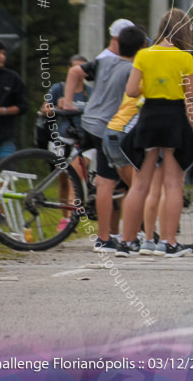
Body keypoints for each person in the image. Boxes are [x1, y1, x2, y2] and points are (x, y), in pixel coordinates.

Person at [119, 9, 193, 257]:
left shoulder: (144, 54)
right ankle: (169, 242)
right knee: (173, 184)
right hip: (174, 118)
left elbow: (131, 91)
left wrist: (153, 84)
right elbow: (192, 95)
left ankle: (127, 241)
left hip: (150, 116)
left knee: (141, 184)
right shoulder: (185, 58)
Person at [64, 27, 146, 254]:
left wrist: (68, 103)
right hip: (107, 128)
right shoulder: (133, 70)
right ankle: (108, 237)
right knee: (112, 183)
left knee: (107, 180)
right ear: (141, 49)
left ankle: (112, 234)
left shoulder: (103, 63)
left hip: (88, 121)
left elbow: (73, 72)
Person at [35, 55, 88, 152]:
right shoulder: (58, 89)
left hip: (83, 138)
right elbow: (44, 110)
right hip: (60, 137)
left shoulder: (90, 92)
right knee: (61, 166)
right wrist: (58, 108)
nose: (79, 73)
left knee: (79, 165)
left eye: (83, 69)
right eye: (76, 69)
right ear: (69, 70)